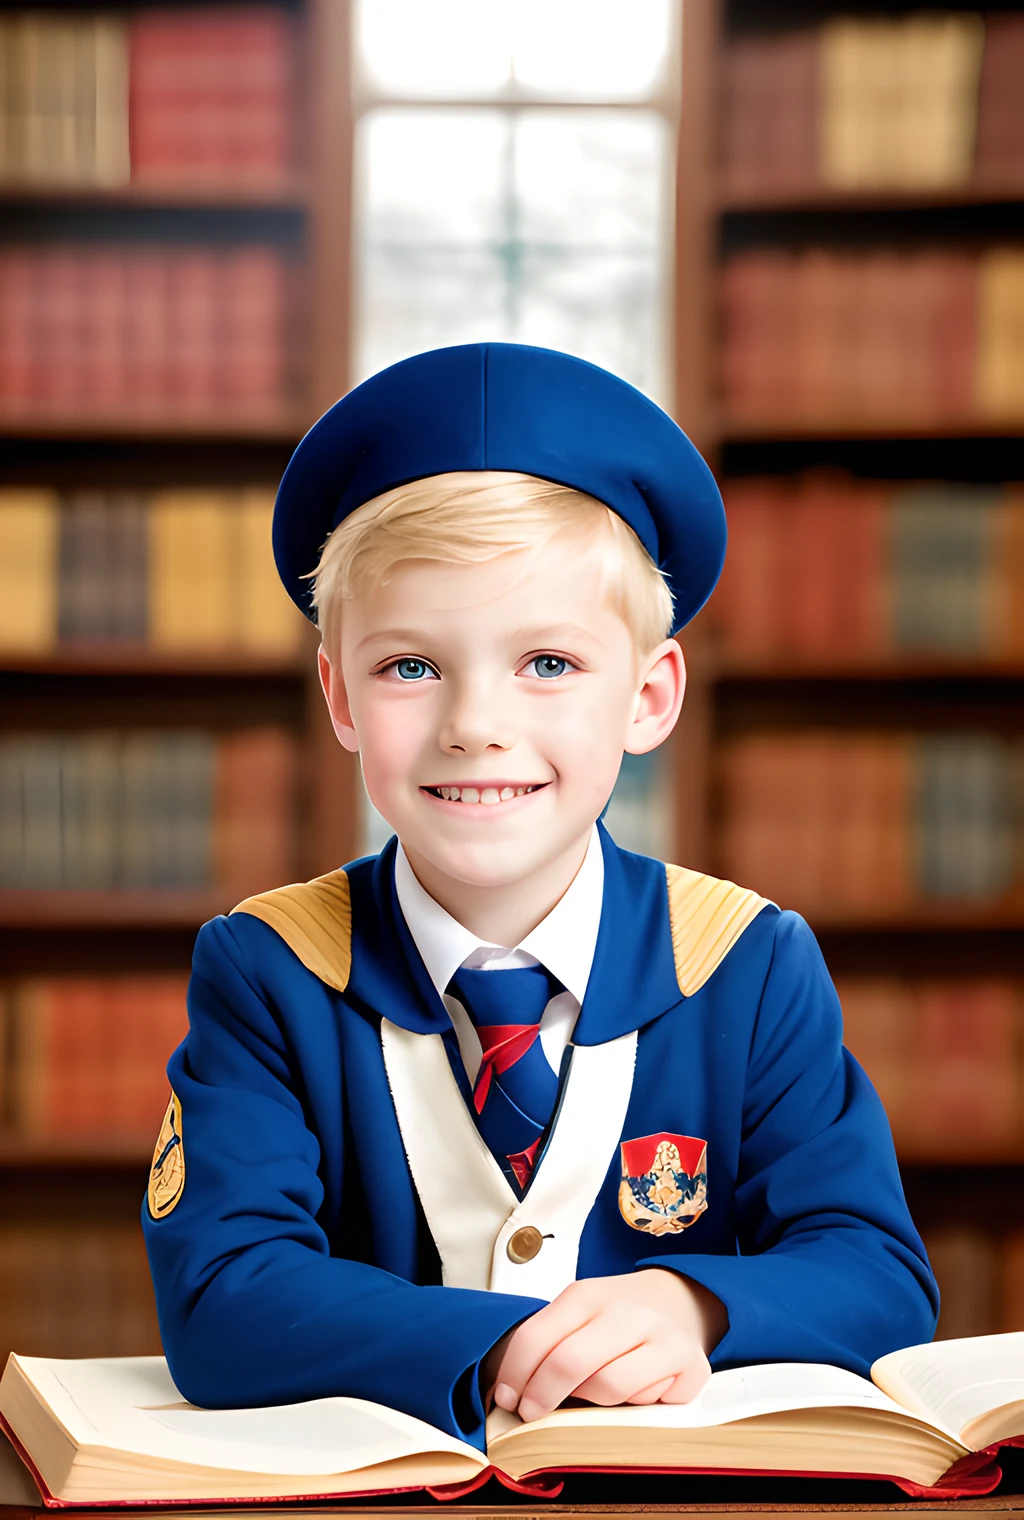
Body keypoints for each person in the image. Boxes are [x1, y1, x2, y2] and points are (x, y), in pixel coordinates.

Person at [143, 343, 938, 1447]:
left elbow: (876, 1269)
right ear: (339, 694)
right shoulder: (270, 965)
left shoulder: (746, 961)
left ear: (648, 696)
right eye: (409, 666)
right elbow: (222, 1295)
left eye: (548, 664)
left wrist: (696, 1302)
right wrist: (495, 1344)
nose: (475, 723)